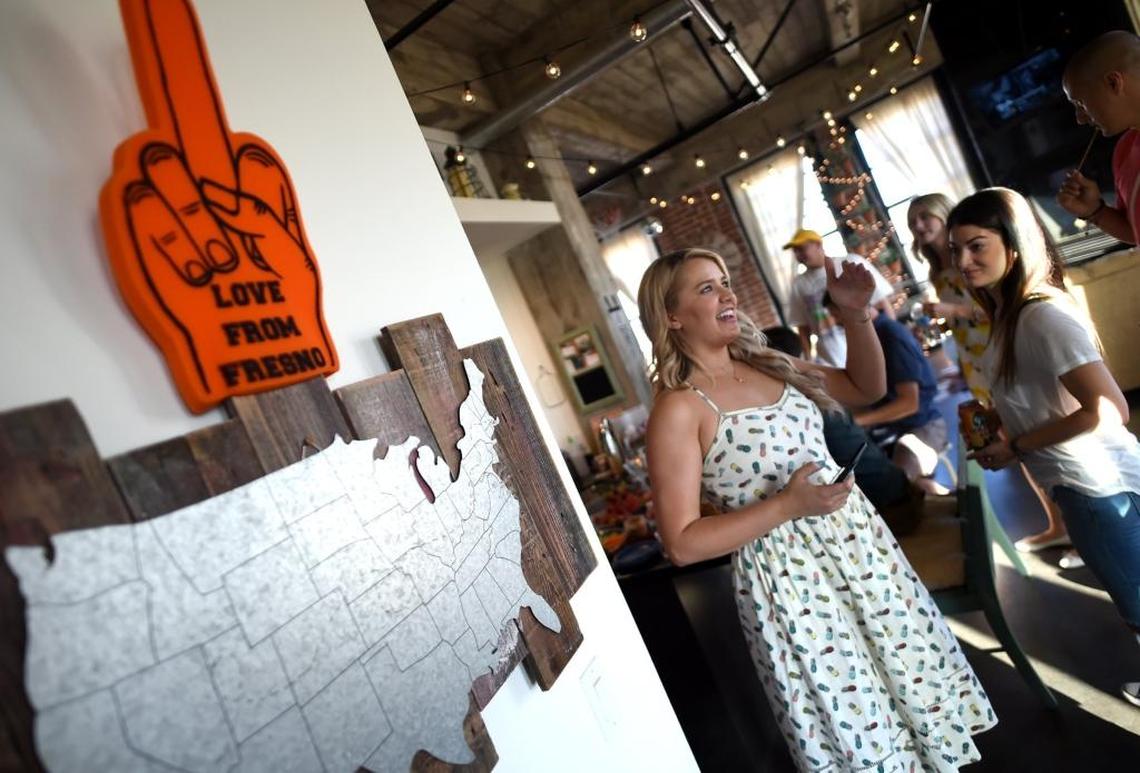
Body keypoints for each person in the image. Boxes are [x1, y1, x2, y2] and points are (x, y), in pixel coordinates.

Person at [639, 248, 996, 770]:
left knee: (911, 690)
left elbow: (866, 387)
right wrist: (788, 505)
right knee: (860, 725)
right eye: (706, 288)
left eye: (724, 281)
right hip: (791, 584)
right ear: (672, 316)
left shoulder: (770, 364)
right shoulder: (679, 408)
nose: (727, 294)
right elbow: (682, 543)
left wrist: (854, 313)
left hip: (861, 551)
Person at [948, 187, 1140, 707]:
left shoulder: (1040, 316)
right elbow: (1048, 397)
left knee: (1134, 598)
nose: (963, 262)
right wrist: (1003, 422)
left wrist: (1017, 445)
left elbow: (1108, 409)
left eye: (977, 246)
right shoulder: (1010, 315)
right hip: (1087, 482)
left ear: (1014, 245)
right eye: (957, 249)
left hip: (1094, 485)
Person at [909, 194, 1077, 561]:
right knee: (1022, 446)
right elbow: (967, 323)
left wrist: (952, 310)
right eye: (913, 221)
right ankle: (1059, 524)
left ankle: (1077, 527)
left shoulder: (982, 266)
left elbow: (997, 311)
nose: (919, 226)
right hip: (978, 365)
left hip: (1007, 355)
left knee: (1042, 439)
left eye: (925, 217)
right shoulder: (940, 272)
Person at [763, 325, 926, 535]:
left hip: (885, 505)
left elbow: (899, 400)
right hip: (893, 492)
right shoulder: (811, 398)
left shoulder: (798, 406)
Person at [821, 291, 948, 496]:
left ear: (848, 308)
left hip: (923, 427)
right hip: (897, 429)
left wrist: (859, 421)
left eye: (836, 315)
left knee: (900, 487)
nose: (836, 323)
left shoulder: (890, 335)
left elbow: (910, 403)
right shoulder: (875, 335)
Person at [1057, 31, 1140, 245]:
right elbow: (1136, 233)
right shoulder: (1124, 151)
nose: (1080, 119)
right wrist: (1095, 211)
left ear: (1113, 82)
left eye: (1081, 104)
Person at [783, 229, 896, 368]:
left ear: (818, 244)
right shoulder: (798, 284)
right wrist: (808, 358)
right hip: (832, 359)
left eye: (801, 249)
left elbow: (881, 303)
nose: (798, 255)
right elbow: (802, 326)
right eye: (795, 251)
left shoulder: (850, 263)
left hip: (869, 345)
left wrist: (893, 336)